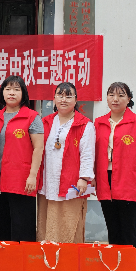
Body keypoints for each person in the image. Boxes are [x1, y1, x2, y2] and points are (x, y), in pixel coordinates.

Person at [94, 82, 136, 271]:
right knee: (113, 229)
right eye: (111, 94)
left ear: (129, 99)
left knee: (128, 230)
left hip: (130, 181)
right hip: (106, 180)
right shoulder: (99, 123)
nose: (115, 99)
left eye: (121, 95)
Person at [37, 82, 95, 243]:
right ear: (54, 99)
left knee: (69, 224)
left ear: (76, 100)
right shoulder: (45, 121)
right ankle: (48, 256)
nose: (63, 99)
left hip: (72, 183)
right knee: (46, 222)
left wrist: (84, 178)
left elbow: (88, 153)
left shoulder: (85, 125)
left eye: (68, 96)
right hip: (48, 181)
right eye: (60, 95)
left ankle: (67, 256)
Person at [0, 75, 44, 242]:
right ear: (2, 93)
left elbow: (38, 148)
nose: (11, 93)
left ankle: (23, 258)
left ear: (23, 93)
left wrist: (33, 175)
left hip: (22, 178)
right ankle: (4, 256)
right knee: (1, 223)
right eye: (8, 89)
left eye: (16, 89)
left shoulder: (32, 117)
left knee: (22, 225)